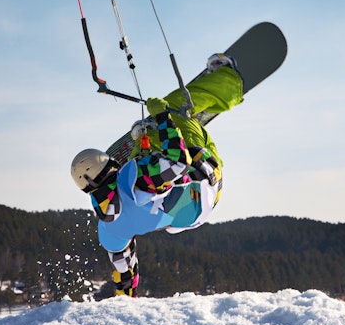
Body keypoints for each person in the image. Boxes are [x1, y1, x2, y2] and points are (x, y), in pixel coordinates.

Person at [70, 53, 244, 297]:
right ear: (109, 165)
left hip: (190, 216)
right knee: (177, 111)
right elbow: (179, 162)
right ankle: (230, 80)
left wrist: (125, 299)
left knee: (151, 161)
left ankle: (150, 140)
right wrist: (163, 117)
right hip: (206, 179)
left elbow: (124, 271)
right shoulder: (136, 177)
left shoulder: (108, 228)